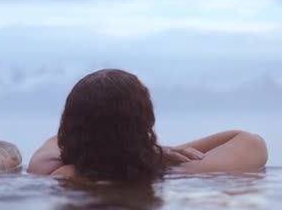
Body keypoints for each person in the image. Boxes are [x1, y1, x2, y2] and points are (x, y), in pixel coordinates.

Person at [28, 69, 268, 180]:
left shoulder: (46, 170)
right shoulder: (176, 173)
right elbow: (250, 141)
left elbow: (55, 142)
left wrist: (147, 153)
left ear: (68, 122)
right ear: (145, 121)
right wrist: (154, 153)